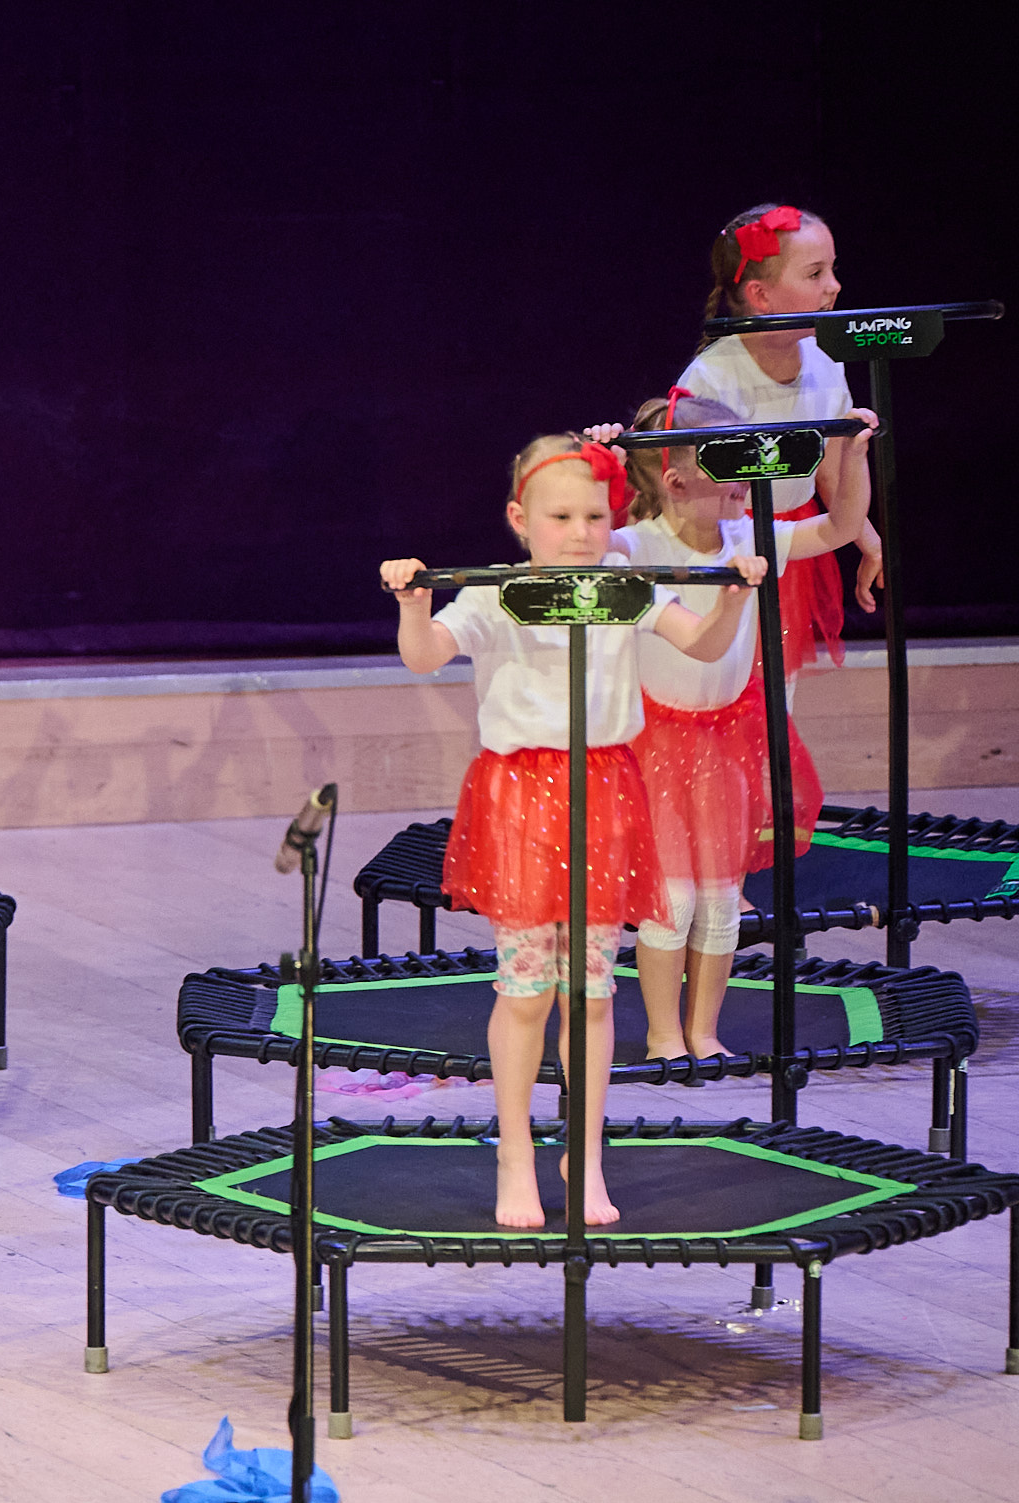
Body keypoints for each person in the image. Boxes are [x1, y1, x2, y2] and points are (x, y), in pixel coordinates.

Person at [382, 436, 767, 1230]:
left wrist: (733, 600)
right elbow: (425, 657)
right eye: (560, 517)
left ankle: (584, 1154)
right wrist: (413, 604)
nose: (581, 532)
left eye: (595, 516)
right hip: (523, 801)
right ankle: (515, 1153)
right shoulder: (496, 594)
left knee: (591, 993)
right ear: (520, 518)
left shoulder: (624, 588)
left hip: (606, 794)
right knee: (526, 991)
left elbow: (699, 642)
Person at [612, 390, 877, 1062]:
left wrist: (850, 454)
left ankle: (704, 1031)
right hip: (653, 748)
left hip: (727, 743)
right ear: (677, 483)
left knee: (720, 898)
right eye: (730, 470)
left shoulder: (749, 534)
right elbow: (567, 546)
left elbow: (841, 526)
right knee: (672, 899)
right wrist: (601, 463)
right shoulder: (632, 547)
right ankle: (663, 1033)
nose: (747, 483)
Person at [676, 203, 884, 686]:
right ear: (761, 295)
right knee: (726, 681)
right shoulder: (712, 380)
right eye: (815, 273)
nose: (834, 286)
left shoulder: (825, 361)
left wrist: (867, 540)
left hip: (797, 540)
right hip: (729, 546)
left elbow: (831, 472)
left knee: (776, 685)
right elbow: (691, 495)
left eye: (832, 270)